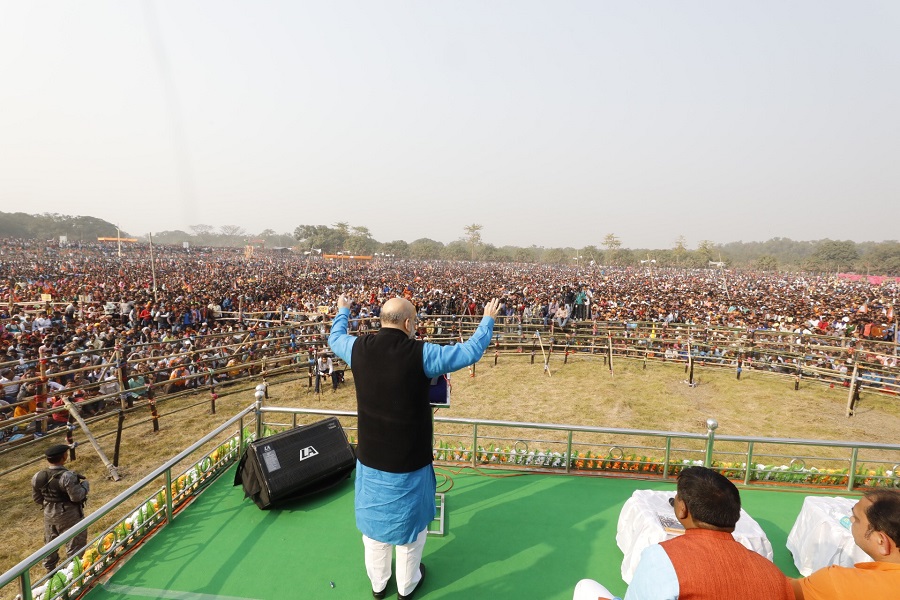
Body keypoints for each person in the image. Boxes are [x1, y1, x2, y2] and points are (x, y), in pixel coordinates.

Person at [329, 294, 500, 599]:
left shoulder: (357, 348)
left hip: (369, 458)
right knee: (411, 532)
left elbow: (335, 337)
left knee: (374, 529)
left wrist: (343, 310)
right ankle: (407, 586)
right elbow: (470, 351)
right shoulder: (423, 354)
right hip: (410, 461)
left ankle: (379, 585)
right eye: (416, 322)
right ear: (408, 323)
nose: (417, 327)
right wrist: (487, 319)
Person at [573, 466, 793, 600]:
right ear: (735, 516)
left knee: (586, 588)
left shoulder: (663, 557)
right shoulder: (773, 574)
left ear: (682, 509)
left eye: (678, 497)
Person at [791, 489, 900, 599]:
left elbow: (781, 590)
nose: (851, 519)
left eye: (857, 519)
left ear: (881, 541)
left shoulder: (837, 581)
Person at [31, 444, 89, 572]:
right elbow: (77, 497)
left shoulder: (38, 476)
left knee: (50, 545)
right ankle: (74, 573)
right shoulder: (67, 476)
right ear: (64, 457)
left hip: (49, 515)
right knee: (75, 545)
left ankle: (50, 572)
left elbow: (37, 498)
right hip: (71, 515)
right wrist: (85, 485)